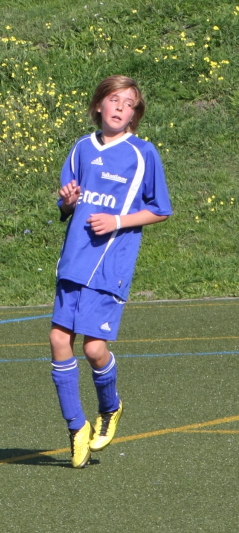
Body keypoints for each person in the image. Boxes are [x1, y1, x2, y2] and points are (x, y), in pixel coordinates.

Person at [49, 75, 173, 468]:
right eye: (114, 99)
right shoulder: (82, 148)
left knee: (93, 348)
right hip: (75, 259)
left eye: (129, 103)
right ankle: (76, 427)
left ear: (135, 114)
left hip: (110, 264)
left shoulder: (142, 153)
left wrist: (117, 221)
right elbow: (67, 203)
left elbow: (160, 209)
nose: (120, 107)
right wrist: (68, 202)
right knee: (58, 339)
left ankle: (110, 406)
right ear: (98, 105)